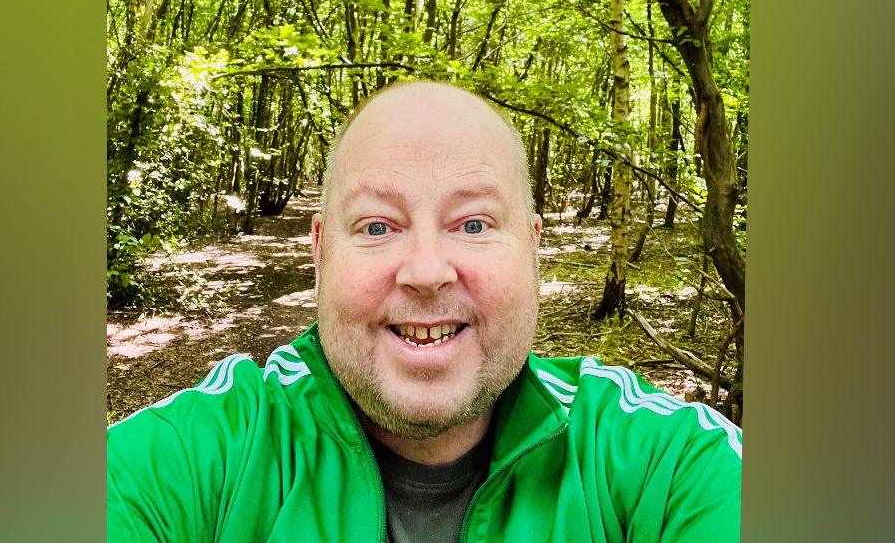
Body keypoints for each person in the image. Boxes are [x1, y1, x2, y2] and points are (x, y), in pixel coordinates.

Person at [107, 81, 742, 542]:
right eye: (379, 226)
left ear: (534, 249)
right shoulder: (196, 460)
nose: (427, 271)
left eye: (473, 223)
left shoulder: (664, 463)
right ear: (321, 253)